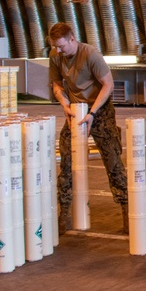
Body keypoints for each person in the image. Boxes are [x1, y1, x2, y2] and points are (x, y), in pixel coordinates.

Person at [48, 22, 128, 234]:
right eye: (55, 46)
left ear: (72, 39)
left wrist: (92, 113)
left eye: (61, 46)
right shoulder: (55, 56)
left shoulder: (90, 54)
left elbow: (108, 84)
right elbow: (56, 84)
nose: (58, 51)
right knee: (66, 161)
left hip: (99, 112)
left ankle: (127, 210)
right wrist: (64, 104)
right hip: (75, 112)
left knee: (113, 161)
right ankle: (63, 213)